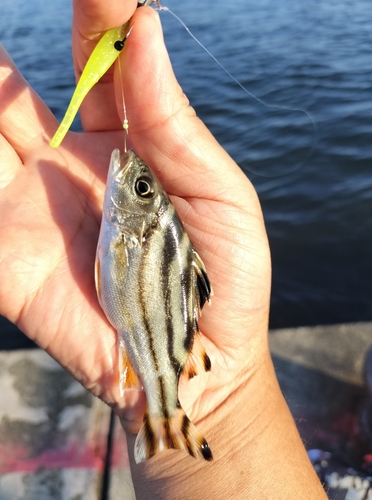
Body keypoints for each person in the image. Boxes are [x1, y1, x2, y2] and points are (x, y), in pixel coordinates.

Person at [0, 1, 328, 498]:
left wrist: (226, 404)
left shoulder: (129, 225)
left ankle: (166, 414)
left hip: (159, 336)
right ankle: (168, 414)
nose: (132, 182)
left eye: (141, 193)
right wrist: (228, 405)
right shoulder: (127, 223)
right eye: (145, 191)